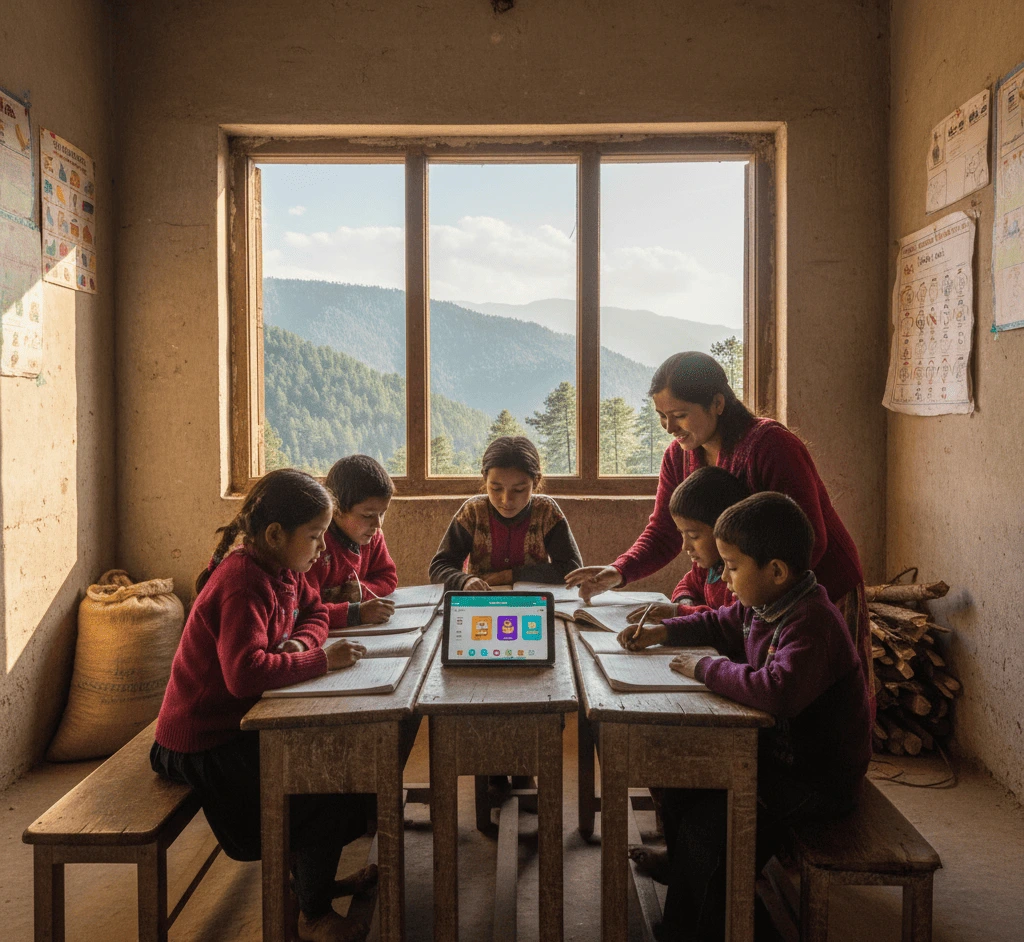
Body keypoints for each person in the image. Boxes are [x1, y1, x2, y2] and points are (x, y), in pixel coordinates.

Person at [619, 492, 871, 941]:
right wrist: (664, 631)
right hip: (777, 760)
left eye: (733, 568)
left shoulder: (811, 621)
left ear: (775, 570)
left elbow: (776, 690)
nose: (726, 580)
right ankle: (684, 878)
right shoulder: (765, 603)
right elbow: (718, 623)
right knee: (680, 783)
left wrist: (704, 667)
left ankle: (693, 925)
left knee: (708, 832)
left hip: (813, 779)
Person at [567, 351, 874, 716]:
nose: (669, 427)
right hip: (757, 598)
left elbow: (808, 542)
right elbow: (665, 531)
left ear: (717, 403)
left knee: (824, 713)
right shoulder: (679, 456)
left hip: (813, 587)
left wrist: (755, 609)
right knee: (766, 706)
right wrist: (617, 572)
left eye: (679, 415)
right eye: (661, 417)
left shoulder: (770, 446)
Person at [151, 469, 375, 942]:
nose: (321, 548)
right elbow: (244, 674)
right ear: (275, 534)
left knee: (341, 771)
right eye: (314, 537)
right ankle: (312, 913)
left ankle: (314, 882)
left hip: (243, 721)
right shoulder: (242, 581)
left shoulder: (286, 570)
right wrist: (318, 660)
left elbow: (315, 613)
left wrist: (295, 646)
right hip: (201, 741)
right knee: (321, 792)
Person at [429, 436, 583, 591]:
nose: (506, 500)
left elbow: (572, 569)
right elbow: (439, 567)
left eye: (519, 490)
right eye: (496, 489)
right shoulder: (473, 512)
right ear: (485, 478)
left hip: (533, 603)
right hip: (481, 603)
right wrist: (464, 581)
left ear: (536, 481)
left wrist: (511, 575)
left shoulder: (546, 512)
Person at [630, 466, 750, 627]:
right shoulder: (707, 568)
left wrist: (679, 612)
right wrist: (685, 601)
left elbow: (729, 623)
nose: (686, 546)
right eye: (681, 534)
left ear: (723, 529)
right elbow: (687, 584)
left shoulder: (737, 577)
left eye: (693, 536)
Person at [305, 454, 398, 630]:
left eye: (382, 513)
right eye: (367, 515)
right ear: (337, 510)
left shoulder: (372, 535)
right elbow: (305, 611)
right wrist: (356, 613)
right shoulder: (315, 545)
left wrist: (360, 590)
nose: (377, 524)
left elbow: (388, 578)